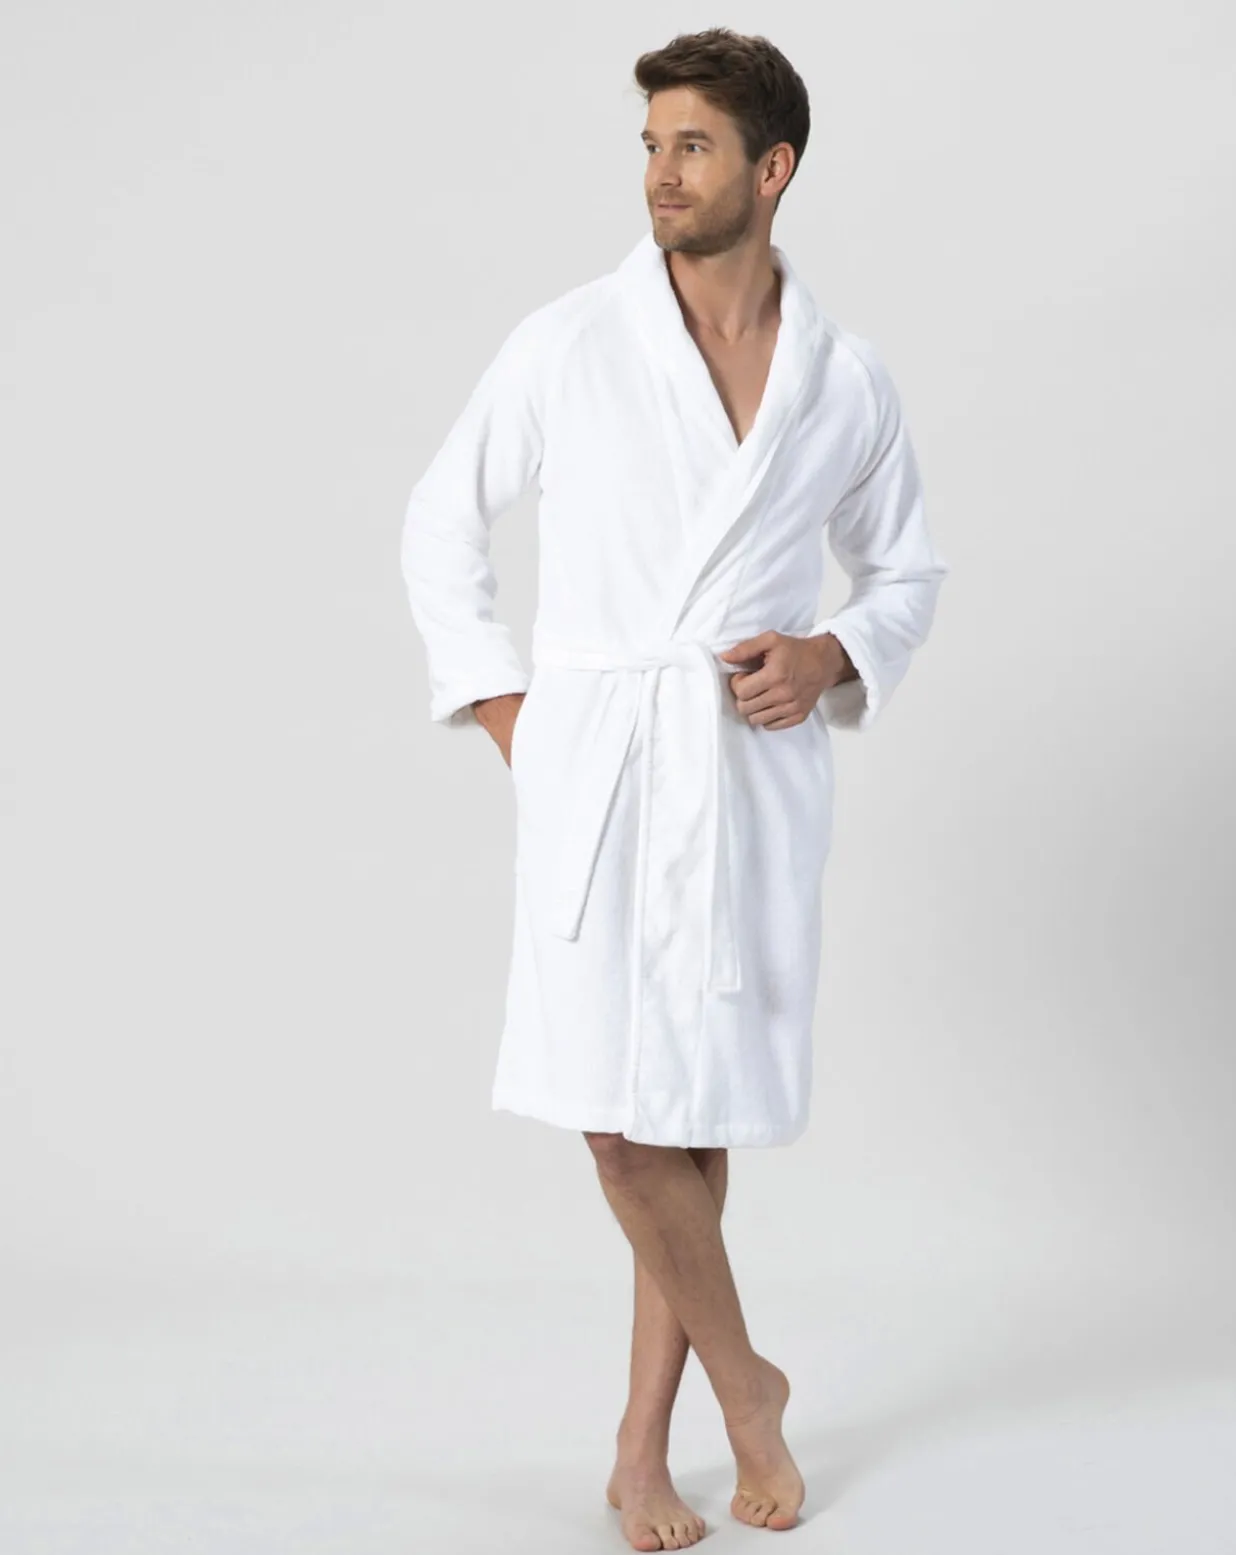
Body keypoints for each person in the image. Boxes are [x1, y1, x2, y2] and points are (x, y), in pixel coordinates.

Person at [400, 27, 949, 1550]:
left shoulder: (845, 379)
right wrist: (512, 713)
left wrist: (828, 651)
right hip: (601, 762)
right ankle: (748, 1384)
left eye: (691, 146)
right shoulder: (569, 342)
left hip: (745, 774)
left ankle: (641, 1447)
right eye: (649, 145)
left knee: (690, 1118)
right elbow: (440, 519)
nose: (659, 173)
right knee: (618, 1125)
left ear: (773, 169)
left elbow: (908, 572)